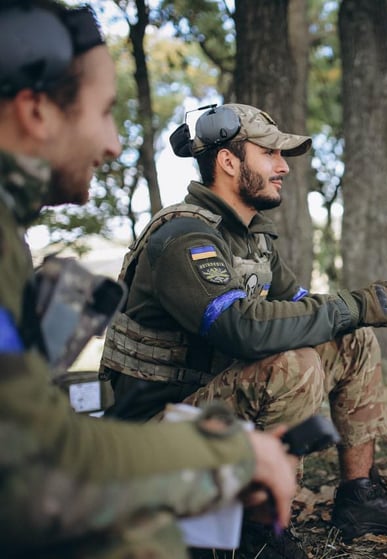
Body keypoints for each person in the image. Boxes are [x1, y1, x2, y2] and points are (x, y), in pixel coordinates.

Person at [0, 2, 300, 558]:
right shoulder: (184, 234)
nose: (113, 143)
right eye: (105, 111)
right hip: (146, 409)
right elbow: (32, 471)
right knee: (144, 542)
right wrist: (233, 458)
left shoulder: (10, 232)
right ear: (35, 112)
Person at [98, 102, 387, 556]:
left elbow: (299, 308)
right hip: (147, 435)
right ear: (228, 161)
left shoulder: (252, 237)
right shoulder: (185, 237)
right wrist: (351, 304)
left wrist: (353, 312)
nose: (283, 168)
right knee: (292, 365)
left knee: (351, 339)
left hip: (202, 409)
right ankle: (257, 535)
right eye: (270, 155)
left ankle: (360, 497)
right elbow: (242, 330)